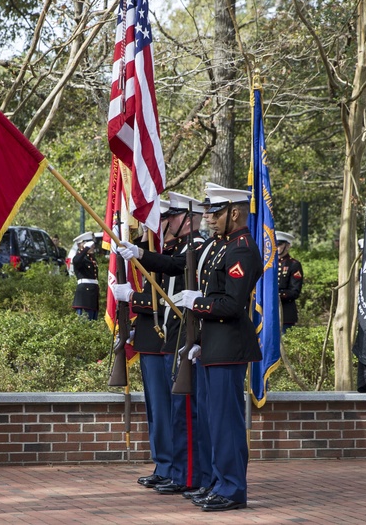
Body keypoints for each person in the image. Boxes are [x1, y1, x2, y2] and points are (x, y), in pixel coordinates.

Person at [177, 183, 261, 512]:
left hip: (229, 346)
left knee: (226, 421)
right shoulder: (220, 246)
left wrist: (196, 303)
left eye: (216, 212)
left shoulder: (241, 249)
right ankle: (217, 481)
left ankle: (232, 488)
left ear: (235, 213)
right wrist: (198, 341)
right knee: (213, 420)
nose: (210, 218)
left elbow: (231, 305)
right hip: (214, 345)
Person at [114, 194, 206, 495]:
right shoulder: (164, 247)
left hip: (174, 334)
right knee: (158, 408)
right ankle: (166, 466)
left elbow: (172, 290)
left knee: (175, 410)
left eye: (165, 218)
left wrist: (134, 297)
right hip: (156, 333)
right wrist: (136, 246)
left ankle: (177, 469)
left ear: (186, 219)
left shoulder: (195, 247)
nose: (157, 224)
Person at [276, 231, 304, 332]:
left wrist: (277, 294)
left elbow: (295, 291)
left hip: (285, 313)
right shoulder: (267, 264)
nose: (276, 247)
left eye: (279, 244)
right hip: (267, 313)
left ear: (287, 246)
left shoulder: (293, 264)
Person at [71, 232, 99, 320]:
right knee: (84, 321)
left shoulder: (91, 258)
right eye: (90, 245)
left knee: (93, 320)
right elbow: (76, 261)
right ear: (81, 245)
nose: (92, 247)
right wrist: (86, 248)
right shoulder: (80, 258)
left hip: (93, 293)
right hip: (84, 294)